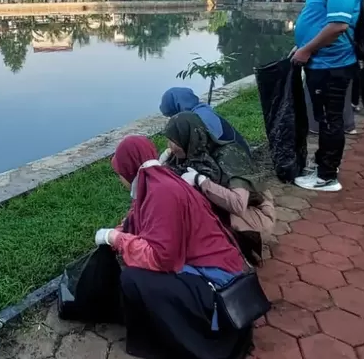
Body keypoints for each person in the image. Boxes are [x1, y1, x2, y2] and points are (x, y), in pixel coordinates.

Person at [96, 136, 252, 359]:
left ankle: (190, 341)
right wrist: (122, 231)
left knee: (133, 279)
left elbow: (161, 258)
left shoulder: (161, 193)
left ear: (130, 169)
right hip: (215, 269)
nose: (120, 179)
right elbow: (139, 222)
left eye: (119, 173)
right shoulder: (157, 182)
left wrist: (116, 239)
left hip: (221, 289)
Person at [290, 0, 361, 192]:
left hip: (331, 65)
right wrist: (303, 44)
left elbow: (338, 27)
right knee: (325, 119)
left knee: (331, 121)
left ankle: (327, 177)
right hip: (321, 62)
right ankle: (323, 166)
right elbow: (321, 21)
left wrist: (307, 49)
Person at [162, 112, 277, 264]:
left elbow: (238, 205)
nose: (169, 146)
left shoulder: (229, 156)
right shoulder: (190, 154)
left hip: (254, 212)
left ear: (187, 138)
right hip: (230, 209)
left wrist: (201, 181)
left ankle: (238, 253)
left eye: (172, 141)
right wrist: (161, 163)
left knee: (205, 214)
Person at [158, 87, 250, 152]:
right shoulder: (202, 110)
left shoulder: (198, 119)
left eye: (172, 115)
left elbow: (198, 149)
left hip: (232, 158)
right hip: (238, 152)